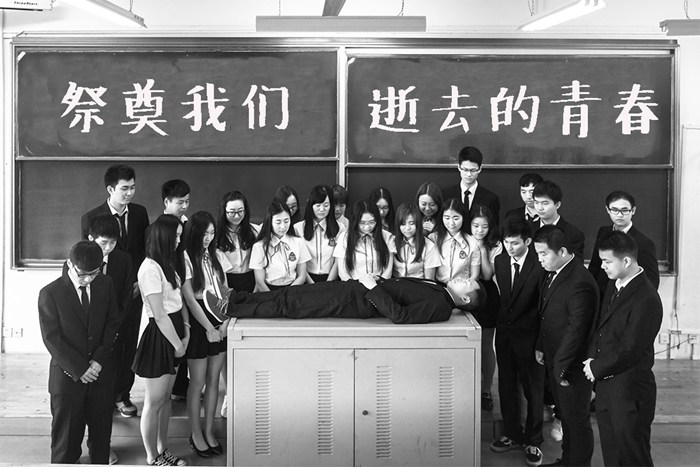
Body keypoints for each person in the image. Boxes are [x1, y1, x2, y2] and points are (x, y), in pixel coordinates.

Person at [38, 241, 121, 465]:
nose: (87, 279)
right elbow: (52, 338)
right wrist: (81, 368)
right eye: (82, 274)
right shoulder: (50, 293)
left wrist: (98, 360)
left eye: (93, 274)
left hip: (100, 374)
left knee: (101, 438)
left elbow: (112, 323)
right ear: (70, 264)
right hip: (68, 377)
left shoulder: (105, 284)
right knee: (65, 443)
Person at [584, 231, 662, 467]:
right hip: (608, 388)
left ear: (626, 261)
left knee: (632, 457)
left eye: (607, 261)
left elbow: (630, 349)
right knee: (612, 454)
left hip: (629, 392)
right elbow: (602, 326)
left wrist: (596, 367)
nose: (602, 266)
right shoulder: (614, 283)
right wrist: (591, 358)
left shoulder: (647, 298)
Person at [81, 163, 149, 418]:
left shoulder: (140, 213)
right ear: (110, 189)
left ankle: (122, 395)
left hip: (133, 290)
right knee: (103, 343)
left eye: (133, 188)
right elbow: (86, 258)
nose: (130, 193)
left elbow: (144, 250)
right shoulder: (91, 217)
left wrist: (139, 282)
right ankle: (101, 395)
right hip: (101, 293)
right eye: (124, 188)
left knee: (128, 343)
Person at [534, 225, 598, 467]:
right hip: (555, 358)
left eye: (543, 254)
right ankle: (568, 460)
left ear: (561, 251)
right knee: (567, 416)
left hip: (572, 365)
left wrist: (560, 367)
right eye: (537, 254)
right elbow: (546, 313)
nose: (540, 259)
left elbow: (576, 331)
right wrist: (541, 344)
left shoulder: (580, 281)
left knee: (576, 420)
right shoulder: (554, 272)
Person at [205, 273, 485, 325]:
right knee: (292, 293)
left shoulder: (441, 307)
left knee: (291, 305)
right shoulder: (439, 289)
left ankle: (230, 310)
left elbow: (400, 316)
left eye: (467, 282)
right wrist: (377, 280)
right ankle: (237, 297)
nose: (463, 277)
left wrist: (373, 288)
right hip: (354, 289)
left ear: (465, 298)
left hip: (355, 302)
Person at [132, 214, 189, 467]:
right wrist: (178, 344)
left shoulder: (169, 263)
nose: (178, 241)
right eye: (175, 236)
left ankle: (162, 449)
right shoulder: (149, 268)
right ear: (162, 236)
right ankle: (151, 456)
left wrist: (186, 331)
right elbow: (159, 314)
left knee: (166, 400)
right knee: (154, 401)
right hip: (160, 335)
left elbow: (179, 301)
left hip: (175, 330)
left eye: (179, 236)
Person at [491, 217, 546, 467]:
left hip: (530, 337)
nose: (510, 248)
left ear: (528, 241)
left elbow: (543, 307)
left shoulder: (540, 264)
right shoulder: (500, 261)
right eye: (506, 242)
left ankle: (533, 440)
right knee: (506, 385)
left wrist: (540, 342)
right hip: (505, 335)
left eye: (515, 243)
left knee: (533, 390)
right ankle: (511, 433)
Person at [181, 212, 231, 458]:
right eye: (204, 234)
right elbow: (190, 299)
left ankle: (209, 431)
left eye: (211, 233)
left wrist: (225, 322)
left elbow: (226, 290)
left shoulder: (217, 255)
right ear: (193, 233)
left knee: (214, 381)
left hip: (218, 318)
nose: (208, 238)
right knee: (198, 382)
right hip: (199, 320)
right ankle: (196, 434)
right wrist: (208, 328)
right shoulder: (185, 257)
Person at [87, 215, 136, 423]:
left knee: (115, 366)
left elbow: (126, 296)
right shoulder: (80, 258)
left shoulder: (123, 259)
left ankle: (115, 399)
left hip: (115, 325)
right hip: (88, 329)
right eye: (103, 242)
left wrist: (113, 326)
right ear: (91, 238)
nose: (108, 248)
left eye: (113, 242)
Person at [588, 190, 659, 298]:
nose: (619, 215)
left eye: (624, 210)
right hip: (601, 296)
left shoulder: (644, 243)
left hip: (624, 298)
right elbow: (595, 266)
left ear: (633, 210)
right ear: (607, 210)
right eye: (614, 210)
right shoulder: (603, 232)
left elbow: (651, 282)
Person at [470, 204, 502, 412]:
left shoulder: (496, 244)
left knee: (486, 344)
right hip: (465, 291)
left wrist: (481, 250)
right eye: (475, 226)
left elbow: (488, 274)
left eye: (484, 226)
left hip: (487, 294)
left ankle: (486, 389)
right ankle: (468, 387)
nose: (480, 230)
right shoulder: (464, 240)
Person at [161, 179, 191, 401]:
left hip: (187, 286)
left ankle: (181, 385)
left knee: (186, 335)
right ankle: (170, 387)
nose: (184, 206)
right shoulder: (157, 229)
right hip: (167, 293)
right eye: (180, 202)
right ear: (167, 202)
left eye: (187, 201)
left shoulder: (189, 225)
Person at [250, 200, 311, 291]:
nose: (283, 226)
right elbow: (260, 282)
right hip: (269, 291)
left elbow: (302, 276)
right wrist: (274, 297)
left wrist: (287, 294)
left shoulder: (298, 242)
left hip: (293, 289)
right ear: (270, 222)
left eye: (286, 221)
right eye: (278, 222)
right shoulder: (259, 247)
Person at [335, 200, 395, 281]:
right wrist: (354, 285)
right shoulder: (344, 237)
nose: (367, 227)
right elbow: (343, 273)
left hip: (380, 284)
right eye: (362, 223)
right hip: (353, 285)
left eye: (371, 222)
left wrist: (379, 283)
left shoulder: (387, 237)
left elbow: (388, 270)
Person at [294, 185, 343, 283]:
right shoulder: (298, 228)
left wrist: (328, 282)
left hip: (331, 279)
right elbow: (298, 261)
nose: (322, 209)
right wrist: (311, 284)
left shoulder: (340, 228)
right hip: (306, 279)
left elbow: (338, 260)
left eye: (326, 205)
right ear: (311, 205)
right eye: (318, 205)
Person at [443, 146, 500, 225]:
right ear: (459, 167)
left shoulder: (491, 199)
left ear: (480, 168)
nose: (469, 174)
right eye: (465, 170)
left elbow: (493, 228)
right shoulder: (446, 195)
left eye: (473, 170)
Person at [430, 198, 481, 285]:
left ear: (463, 218)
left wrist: (463, 288)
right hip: (438, 287)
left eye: (456, 218)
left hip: (462, 288)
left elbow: (475, 275)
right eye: (447, 218)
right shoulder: (433, 239)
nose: (451, 223)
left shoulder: (472, 243)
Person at [216, 191, 259, 293]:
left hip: (251, 279)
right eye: (232, 212)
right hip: (227, 280)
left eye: (240, 211)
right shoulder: (216, 234)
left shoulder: (255, 231)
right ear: (224, 212)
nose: (237, 216)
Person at [533, 180, 585, 259]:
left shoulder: (574, 234)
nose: (540, 208)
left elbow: (575, 264)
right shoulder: (528, 230)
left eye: (545, 203)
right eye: (536, 202)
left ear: (557, 205)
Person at [391, 203, 440, 279]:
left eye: (412, 223)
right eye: (403, 224)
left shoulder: (429, 246)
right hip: (396, 284)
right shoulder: (392, 242)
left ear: (418, 224)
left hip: (419, 285)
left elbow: (429, 280)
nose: (407, 228)